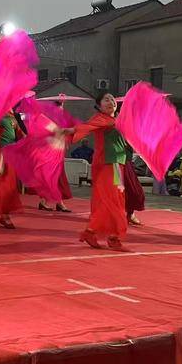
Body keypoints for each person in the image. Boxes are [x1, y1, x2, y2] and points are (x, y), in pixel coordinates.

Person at [69, 92, 129, 251]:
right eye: (106, 100)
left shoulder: (117, 120)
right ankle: (101, 234)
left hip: (117, 164)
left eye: (112, 99)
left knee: (116, 199)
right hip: (109, 164)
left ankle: (108, 235)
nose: (111, 102)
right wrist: (65, 131)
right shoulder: (101, 119)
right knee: (111, 200)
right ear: (99, 106)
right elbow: (84, 127)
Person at [122, 145, 145, 225]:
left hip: (127, 163)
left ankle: (130, 214)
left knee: (134, 190)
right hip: (118, 162)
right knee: (118, 190)